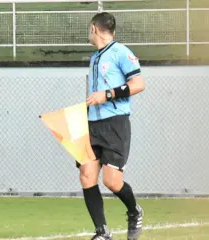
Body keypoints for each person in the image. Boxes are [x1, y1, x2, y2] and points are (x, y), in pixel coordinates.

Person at [81, 12, 145, 240]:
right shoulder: (95, 57)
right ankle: (102, 232)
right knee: (87, 175)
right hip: (93, 125)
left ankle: (134, 211)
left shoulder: (121, 52)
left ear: (93, 29)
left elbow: (138, 84)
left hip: (115, 124)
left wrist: (107, 95)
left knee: (111, 181)